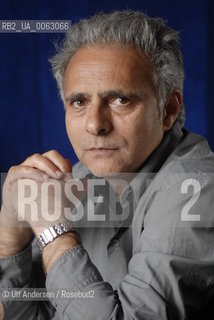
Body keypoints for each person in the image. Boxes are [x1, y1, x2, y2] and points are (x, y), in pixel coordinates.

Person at [0, 10, 214, 320]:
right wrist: (9, 236)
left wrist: (55, 233)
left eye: (120, 100)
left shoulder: (198, 189)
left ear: (168, 110)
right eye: (79, 102)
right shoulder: (84, 178)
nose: (95, 125)